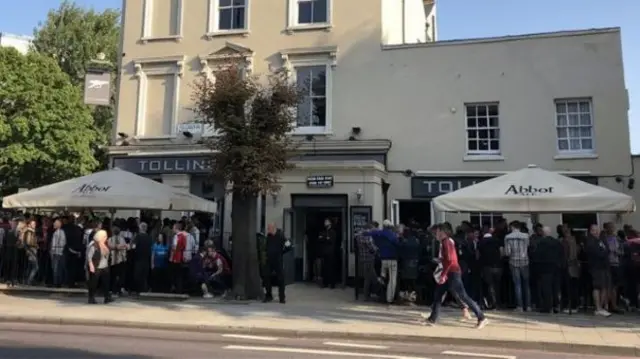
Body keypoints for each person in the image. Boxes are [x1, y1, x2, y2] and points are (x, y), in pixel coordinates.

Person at [422, 223, 488, 329]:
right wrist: (441, 261)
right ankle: (432, 319)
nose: (436, 234)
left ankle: (481, 317)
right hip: (451, 271)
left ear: (443, 232)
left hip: (452, 272)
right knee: (438, 295)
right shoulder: (446, 242)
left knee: (463, 296)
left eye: (438, 232)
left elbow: (449, 261)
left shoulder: (446, 242)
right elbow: (448, 259)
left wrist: (443, 275)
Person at [363, 219, 399, 304]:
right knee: (392, 280)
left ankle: (381, 295)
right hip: (392, 260)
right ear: (390, 227)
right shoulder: (393, 235)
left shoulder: (379, 233)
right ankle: (389, 299)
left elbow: (366, 233)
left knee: (382, 278)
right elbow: (398, 245)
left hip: (383, 260)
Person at [86, 230, 114, 304]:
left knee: (106, 282)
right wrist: (91, 265)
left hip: (104, 266)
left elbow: (107, 253)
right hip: (96, 266)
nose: (106, 238)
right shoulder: (93, 244)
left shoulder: (105, 244)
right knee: (93, 283)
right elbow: (89, 256)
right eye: (105, 236)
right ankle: (91, 298)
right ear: (100, 237)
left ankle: (107, 297)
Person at [263, 223, 288, 303]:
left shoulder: (280, 235)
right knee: (266, 276)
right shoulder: (269, 236)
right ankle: (268, 295)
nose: (268, 229)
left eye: (269, 228)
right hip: (269, 260)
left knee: (281, 278)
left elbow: (288, 245)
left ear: (273, 228)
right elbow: (266, 246)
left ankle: (282, 297)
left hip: (278, 260)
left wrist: (282, 253)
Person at [132, 222, 153, 294]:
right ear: (146, 229)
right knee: (144, 275)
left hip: (138, 258)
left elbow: (133, 247)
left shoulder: (138, 236)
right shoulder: (149, 237)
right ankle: (144, 289)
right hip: (146, 259)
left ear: (140, 228)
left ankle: (138, 290)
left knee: (137, 275)